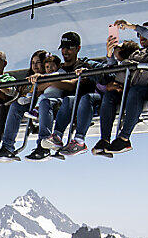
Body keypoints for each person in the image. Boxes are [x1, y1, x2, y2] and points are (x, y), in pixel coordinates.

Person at [91, 20, 148, 155]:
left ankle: (124, 138)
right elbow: (116, 71)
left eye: (146, 33)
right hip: (131, 89)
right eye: (140, 35)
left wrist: (134, 27)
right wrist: (110, 55)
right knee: (110, 96)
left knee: (135, 91)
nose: (142, 37)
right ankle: (105, 139)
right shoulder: (137, 54)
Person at [22, 31, 98, 162]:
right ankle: (44, 145)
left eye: (69, 48)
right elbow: (39, 89)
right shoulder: (57, 68)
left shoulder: (82, 66)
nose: (65, 51)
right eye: (63, 48)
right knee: (45, 102)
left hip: (80, 100)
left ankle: (61, 136)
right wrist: (41, 78)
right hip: (62, 103)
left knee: (69, 99)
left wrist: (50, 81)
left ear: (78, 48)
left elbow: (72, 86)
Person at [0, 50, 47, 162]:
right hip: (27, 103)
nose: (35, 66)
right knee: (14, 105)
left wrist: (41, 79)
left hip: (42, 103)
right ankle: (7, 147)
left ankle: (42, 147)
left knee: (44, 105)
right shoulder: (27, 79)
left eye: (38, 62)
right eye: (33, 63)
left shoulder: (50, 76)